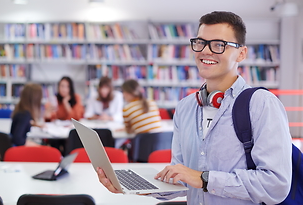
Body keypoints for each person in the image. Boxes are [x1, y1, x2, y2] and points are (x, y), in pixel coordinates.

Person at [97, 11, 292, 204]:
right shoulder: (185, 107)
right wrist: (137, 187)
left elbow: (276, 185)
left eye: (218, 45)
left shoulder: (262, 104)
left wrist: (204, 179)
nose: (205, 51)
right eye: (201, 43)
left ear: (241, 53)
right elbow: (183, 179)